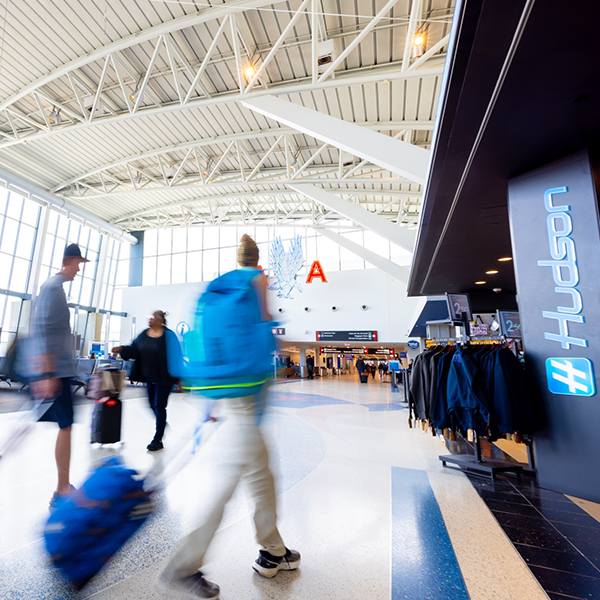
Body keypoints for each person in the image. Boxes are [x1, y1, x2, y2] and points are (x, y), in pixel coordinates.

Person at [162, 234, 299, 600]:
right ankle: (185, 564)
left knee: (261, 471)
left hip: (229, 389)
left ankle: (274, 549)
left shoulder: (220, 287)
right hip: (248, 389)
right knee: (229, 477)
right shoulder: (257, 280)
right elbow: (266, 323)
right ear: (256, 260)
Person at [31, 243, 89, 507]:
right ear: (69, 260)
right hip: (55, 371)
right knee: (65, 426)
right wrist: (47, 372)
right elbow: (41, 327)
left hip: (60, 370)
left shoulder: (56, 289)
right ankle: (61, 488)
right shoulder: (52, 288)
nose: (79, 269)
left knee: (65, 426)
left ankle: (63, 485)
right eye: (78, 264)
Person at [112, 310, 182, 451]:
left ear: (161, 320)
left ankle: (158, 439)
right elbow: (134, 349)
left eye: (153, 317)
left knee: (159, 405)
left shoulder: (169, 336)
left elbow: (177, 355)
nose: (150, 319)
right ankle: (161, 423)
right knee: (151, 404)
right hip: (149, 377)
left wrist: (179, 378)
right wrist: (121, 349)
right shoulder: (144, 335)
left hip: (164, 377)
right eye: (149, 317)